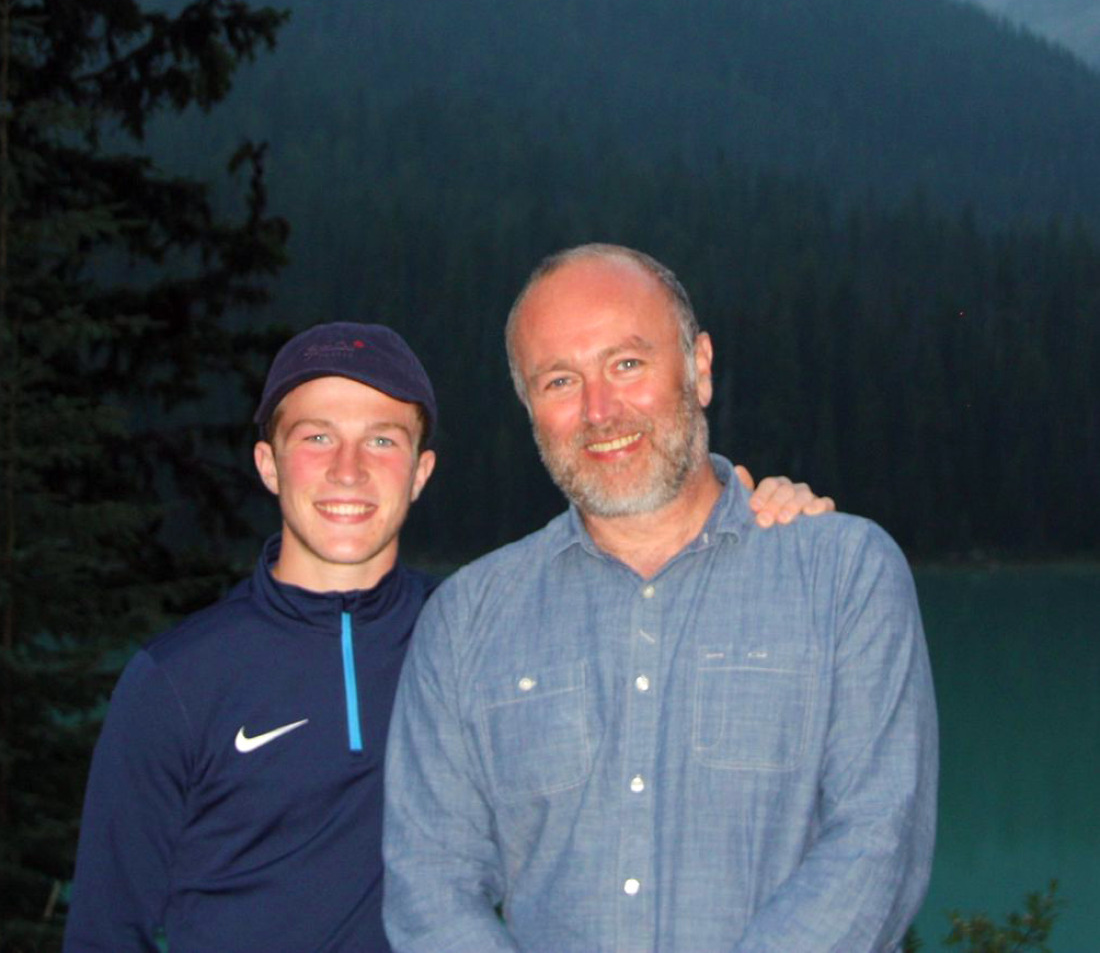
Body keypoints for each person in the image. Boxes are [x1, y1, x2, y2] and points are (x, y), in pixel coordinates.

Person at [63, 320, 828, 952]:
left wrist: (755, 518)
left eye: (384, 441)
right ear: (269, 463)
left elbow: (652, 642)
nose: (350, 471)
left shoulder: (479, 635)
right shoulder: (179, 679)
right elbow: (105, 930)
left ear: (422, 471)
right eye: (318, 438)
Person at [383, 244, 938, 953]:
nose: (599, 411)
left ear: (699, 367)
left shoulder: (845, 577)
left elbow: (877, 843)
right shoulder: (464, 623)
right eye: (559, 381)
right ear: (529, 409)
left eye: (627, 364)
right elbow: (431, 888)